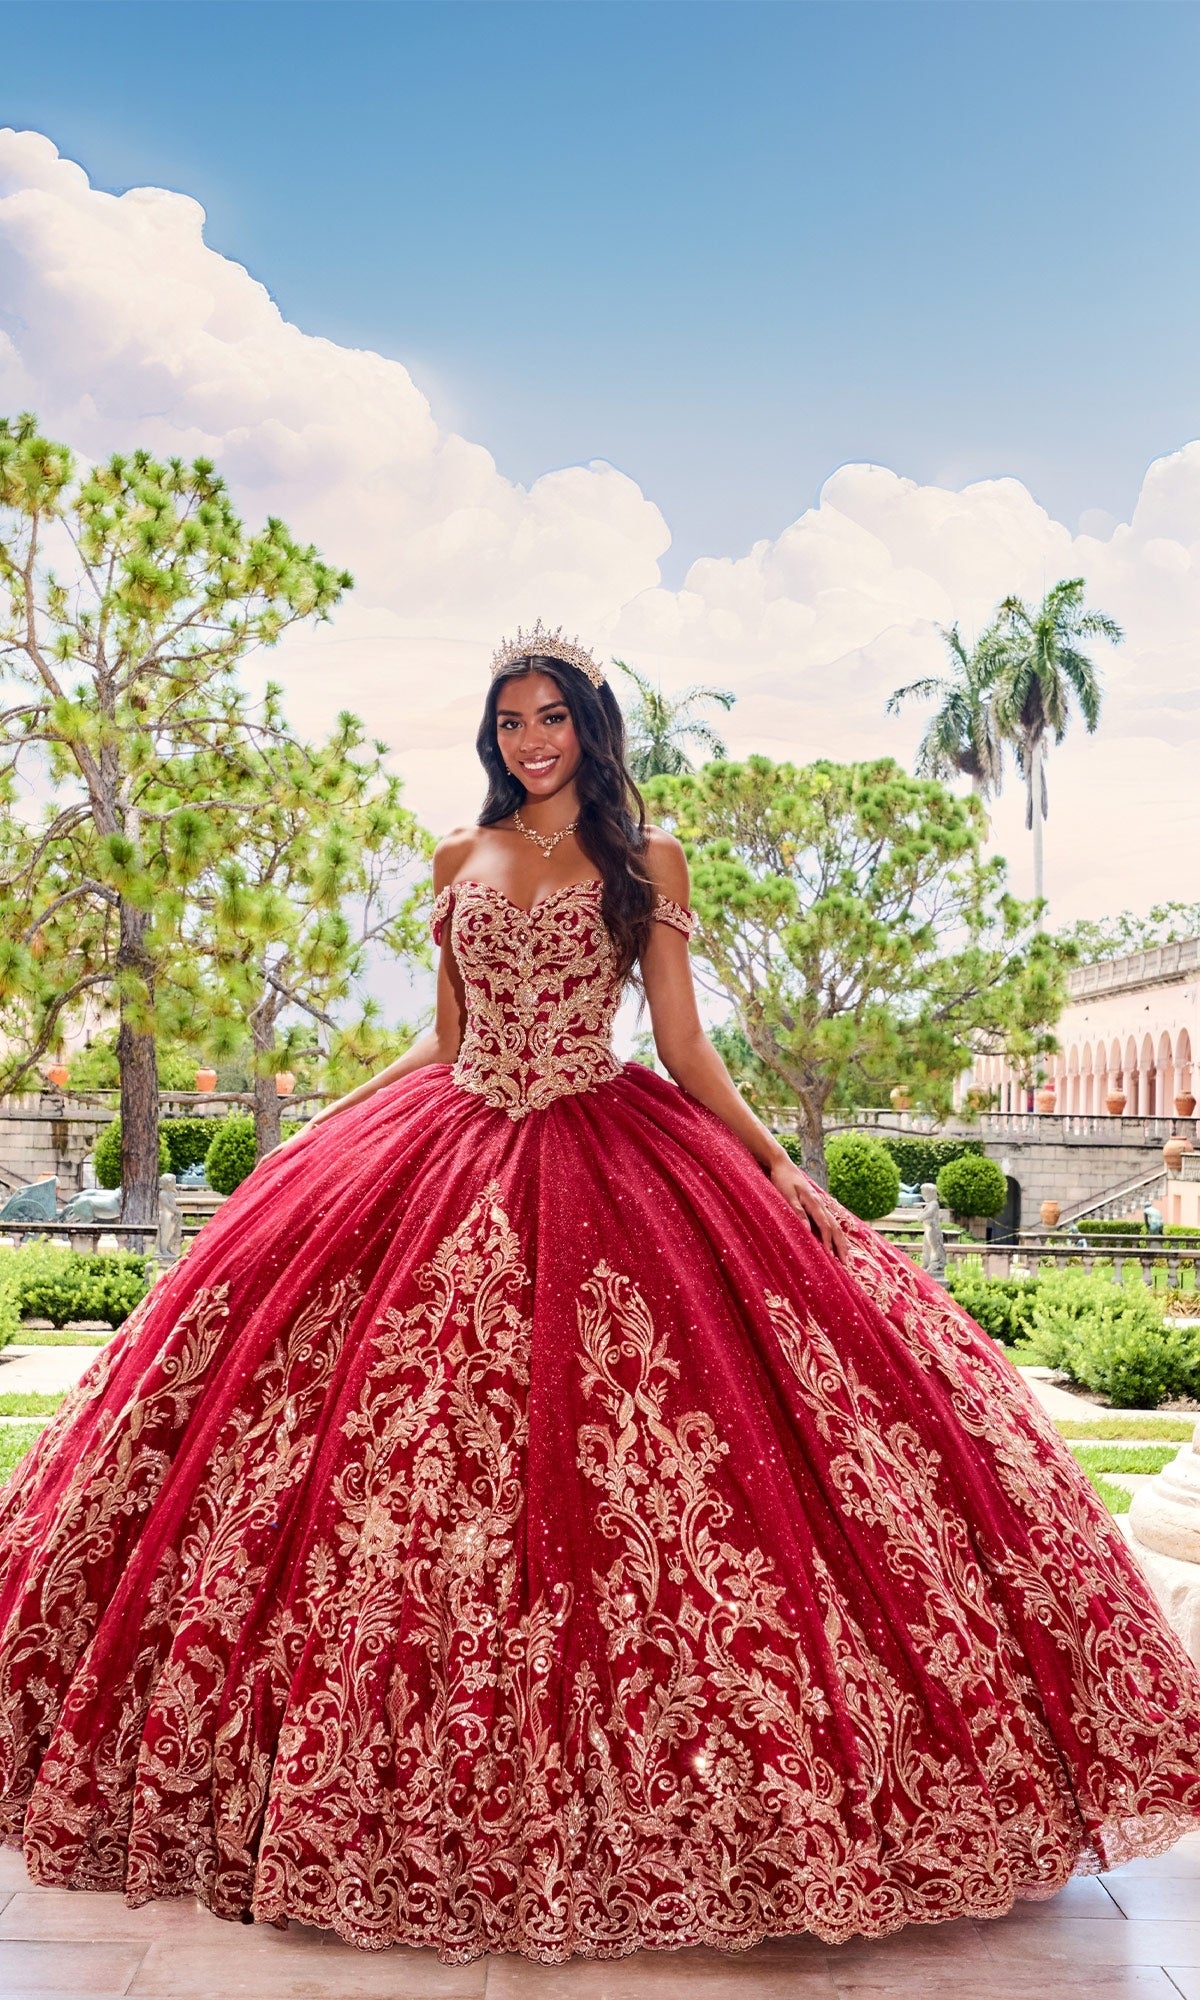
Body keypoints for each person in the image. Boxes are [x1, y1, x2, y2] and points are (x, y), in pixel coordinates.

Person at [0, 624, 1198, 1966]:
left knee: (661, 1454)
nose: (529, 739)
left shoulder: (647, 860)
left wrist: (781, 1170)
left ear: (590, 726)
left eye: (551, 716)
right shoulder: (459, 858)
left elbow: (681, 1043)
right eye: (510, 719)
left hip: (609, 1152)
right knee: (382, 1457)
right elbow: (446, 1039)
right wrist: (339, 1114)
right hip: (450, 1144)